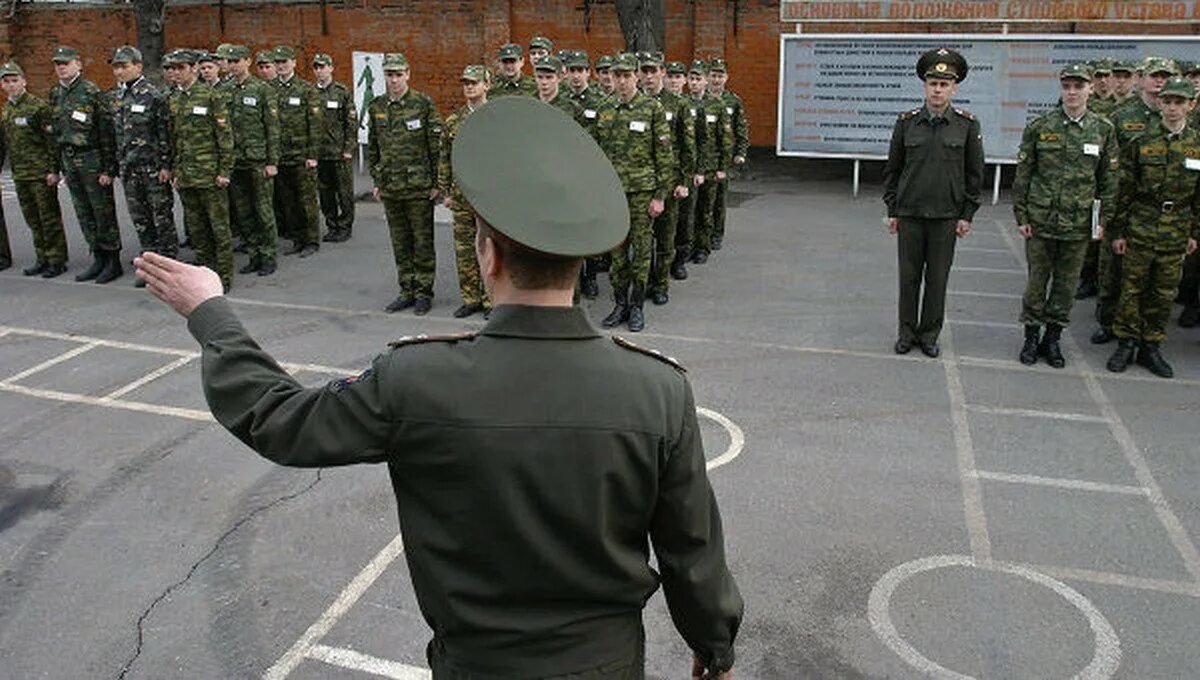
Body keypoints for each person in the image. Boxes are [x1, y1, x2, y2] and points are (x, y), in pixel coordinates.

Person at [134, 95, 741, 680]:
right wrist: (714, 648)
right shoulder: (658, 391)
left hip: (475, 666)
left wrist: (211, 312)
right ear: (581, 262)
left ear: (488, 258)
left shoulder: (418, 380)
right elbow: (692, 553)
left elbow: (278, 418)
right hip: (605, 664)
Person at [1012, 63, 1118, 368]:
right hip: (1042, 221)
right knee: (1036, 283)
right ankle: (1031, 337)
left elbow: (1109, 180)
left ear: (1089, 89)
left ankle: (1053, 339)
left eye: (1078, 86)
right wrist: (1023, 216)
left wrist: (1102, 221)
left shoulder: (1103, 130)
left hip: (1078, 223)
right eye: (1067, 86)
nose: (1072, 92)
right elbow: (1024, 175)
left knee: (1066, 285)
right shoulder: (1040, 126)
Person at [883, 47, 984, 358]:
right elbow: (893, 170)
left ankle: (929, 334)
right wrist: (892, 210)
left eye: (944, 84)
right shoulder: (906, 123)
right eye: (932, 83)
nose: (937, 90)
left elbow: (974, 174)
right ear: (924, 86)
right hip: (911, 213)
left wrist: (967, 214)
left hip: (945, 216)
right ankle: (906, 332)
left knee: (937, 279)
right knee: (909, 277)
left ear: (954, 88)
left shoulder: (967, 125)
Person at [1105, 76, 1200, 379]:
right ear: (1160, 103)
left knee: (1163, 291)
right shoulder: (1141, 142)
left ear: (1190, 105)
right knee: (1132, 287)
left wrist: (1194, 233)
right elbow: (1125, 191)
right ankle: (1126, 342)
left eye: (1179, 103)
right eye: (1167, 102)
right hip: (1141, 226)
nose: (1172, 108)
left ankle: (1151, 345)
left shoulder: (1197, 145)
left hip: (1177, 229)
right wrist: (1119, 232)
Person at [1092, 56, 1177, 346]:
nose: (1159, 81)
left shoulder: (1180, 120)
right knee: (1112, 270)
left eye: (1165, 76)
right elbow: (1107, 163)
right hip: (1121, 204)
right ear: (1141, 78)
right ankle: (1107, 322)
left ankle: (1142, 331)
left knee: (1153, 280)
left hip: (1162, 215)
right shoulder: (1122, 116)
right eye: (1154, 75)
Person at [596, 53, 674, 333]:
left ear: (636, 76)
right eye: (616, 75)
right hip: (613, 194)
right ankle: (620, 304)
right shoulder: (604, 108)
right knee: (617, 253)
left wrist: (660, 196)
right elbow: (595, 155)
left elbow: (664, 155)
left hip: (643, 193)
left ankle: (637, 306)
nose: (621, 80)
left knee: (641, 252)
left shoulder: (651, 108)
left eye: (627, 75)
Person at [366, 52, 442, 315]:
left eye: (399, 74)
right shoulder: (376, 107)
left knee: (422, 242)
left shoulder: (423, 104)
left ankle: (423, 292)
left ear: (408, 74)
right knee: (400, 242)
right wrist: (377, 180)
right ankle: (406, 290)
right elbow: (373, 147)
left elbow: (435, 146)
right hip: (390, 186)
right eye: (390, 74)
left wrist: (437, 182)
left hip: (419, 186)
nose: (394, 80)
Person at [49, 45, 123, 284]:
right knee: (84, 212)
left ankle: (113, 261)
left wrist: (108, 168)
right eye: (58, 64)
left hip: (92, 159)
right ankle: (98, 257)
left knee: (102, 212)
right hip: (70, 160)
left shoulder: (91, 92)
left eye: (66, 63)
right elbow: (55, 135)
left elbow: (105, 133)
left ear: (78, 65)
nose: (61, 67)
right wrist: (56, 166)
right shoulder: (55, 94)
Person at [163, 48, 234, 291]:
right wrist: (175, 170)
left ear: (194, 69)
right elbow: (175, 139)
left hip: (210, 174)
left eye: (181, 68)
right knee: (197, 228)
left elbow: (224, 137)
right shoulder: (174, 98)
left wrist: (224, 171)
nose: (176, 73)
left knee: (219, 227)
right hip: (187, 175)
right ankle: (206, 273)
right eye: (172, 68)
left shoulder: (211, 96)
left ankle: (224, 276)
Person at [109, 45, 177, 288]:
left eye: (124, 66)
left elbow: (164, 134)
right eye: (116, 67)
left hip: (152, 167)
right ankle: (150, 267)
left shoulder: (154, 95)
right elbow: (116, 135)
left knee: (161, 218)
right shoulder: (116, 97)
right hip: (129, 168)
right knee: (141, 219)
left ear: (138, 66)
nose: (120, 71)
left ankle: (168, 267)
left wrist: (166, 165)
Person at [1, 61, 67, 278]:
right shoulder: (7, 110)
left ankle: (57, 260)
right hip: (20, 174)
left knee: (49, 218)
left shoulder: (38, 107)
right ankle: (42, 257)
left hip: (40, 173)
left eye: (14, 81)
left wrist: (53, 169)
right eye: (6, 81)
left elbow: (51, 141)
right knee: (32, 219)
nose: (11, 85)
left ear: (24, 82)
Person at [640, 53, 694, 306]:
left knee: (665, 237)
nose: (649, 76)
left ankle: (660, 284)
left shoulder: (678, 104)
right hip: (641, 182)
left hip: (669, 182)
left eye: (653, 71)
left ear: (662, 72)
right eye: (644, 71)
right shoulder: (635, 102)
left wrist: (684, 180)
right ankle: (641, 282)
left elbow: (687, 145)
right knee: (641, 241)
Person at [438, 64, 491, 319]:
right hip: (461, 196)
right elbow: (445, 158)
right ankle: (470, 298)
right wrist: (445, 190)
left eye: (474, 82)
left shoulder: (496, 118)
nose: (469, 87)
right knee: (464, 249)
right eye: (466, 83)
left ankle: (491, 299)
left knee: (490, 248)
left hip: (490, 198)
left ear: (486, 85)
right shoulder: (453, 121)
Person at [225, 44, 281, 277]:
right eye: (229, 62)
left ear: (248, 61)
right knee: (244, 212)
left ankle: (268, 256)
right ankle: (253, 254)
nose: (232, 66)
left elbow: (273, 128)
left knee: (263, 211)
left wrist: (272, 161)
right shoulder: (225, 90)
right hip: (236, 161)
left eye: (236, 61)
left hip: (258, 160)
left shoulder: (262, 89)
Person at [274, 44, 321, 257]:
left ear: (293, 63)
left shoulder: (306, 89)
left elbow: (315, 124)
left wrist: (312, 155)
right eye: (278, 63)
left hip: (302, 156)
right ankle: (297, 239)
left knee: (307, 200)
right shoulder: (270, 89)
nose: (281, 66)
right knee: (288, 201)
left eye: (284, 62)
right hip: (281, 156)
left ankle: (311, 240)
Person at [686, 60, 730, 266]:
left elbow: (725, 138)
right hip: (689, 166)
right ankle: (688, 245)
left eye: (698, 79)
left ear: (705, 81)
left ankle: (702, 247)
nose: (694, 83)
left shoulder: (717, 105)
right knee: (689, 211)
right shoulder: (683, 104)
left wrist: (723, 167)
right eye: (691, 79)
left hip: (711, 167)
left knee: (705, 208)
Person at [311, 53, 357, 243]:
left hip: (339, 153)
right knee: (325, 193)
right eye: (316, 67)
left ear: (331, 68)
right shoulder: (310, 93)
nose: (320, 71)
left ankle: (345, 226)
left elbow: (351, 122)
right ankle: (332, 225)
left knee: (344, 192)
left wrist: (348, 148)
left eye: (323, 67)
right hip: (320, 154)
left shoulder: (342, 92)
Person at [706, 58, 748, 252]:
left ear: (726, 78)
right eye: (713, 75)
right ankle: (702, 234)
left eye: (720, 76)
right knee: (704, 198)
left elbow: (741, 128)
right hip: (704, 156)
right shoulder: (700, 99)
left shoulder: (733, 100)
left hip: (724, 156)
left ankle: (716, 234)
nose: (716, 79)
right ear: (707, 77)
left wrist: (740, 152)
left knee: (719, 199)